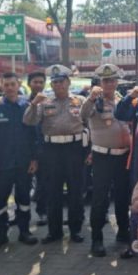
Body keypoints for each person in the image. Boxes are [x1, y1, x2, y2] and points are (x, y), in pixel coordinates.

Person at [24, 64, 87, 244]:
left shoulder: (80, 101)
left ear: (68, 82)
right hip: (52, 151)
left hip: (74, 149)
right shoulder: (44, 102)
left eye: (61, 81)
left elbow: (90, 124)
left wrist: (88, 151)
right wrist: (34, 103)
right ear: (51, 85)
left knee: (75, 191)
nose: (58, 85)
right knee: (53, 192)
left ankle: (75, 230)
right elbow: (28, 121)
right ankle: (54, 232)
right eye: (55, 82)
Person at [0, 72, 39, 250]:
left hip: (23, 163)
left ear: (18, 84)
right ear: (1, 86)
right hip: (1, 163)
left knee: (24, 199)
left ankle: (24, 231)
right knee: (0, 201)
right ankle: (1, 234)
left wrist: (34, 159)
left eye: (13, 84)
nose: (10, 88)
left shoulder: (26, 106)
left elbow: (35, 136)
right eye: (6, 85)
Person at [81, 64, 132, 258]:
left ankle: (123, 232)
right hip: (103, 156)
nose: (109, 83)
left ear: (117, 81)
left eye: (112, 80)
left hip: (123, 155)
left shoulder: (121, 100)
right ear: (100, 82)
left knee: (122, 197)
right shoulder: (94, 101)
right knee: (100, 199)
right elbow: (83, 116)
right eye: (105, 80)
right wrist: (90, 98)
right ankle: (97, 239)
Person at [26, 70, 48, 226]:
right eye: (35, 82)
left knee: (43, 183)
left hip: (44, 149)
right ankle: (22, 216)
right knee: (24, 184)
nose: (38, 85)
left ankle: (42, 212)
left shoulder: (49, 102)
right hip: (25, 149)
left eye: (41, 82)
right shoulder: (22, 102)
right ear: (29, 84)